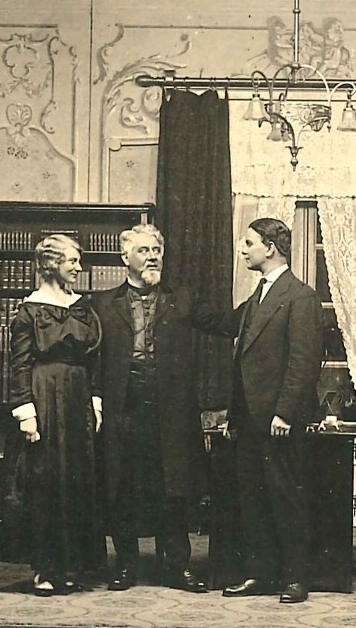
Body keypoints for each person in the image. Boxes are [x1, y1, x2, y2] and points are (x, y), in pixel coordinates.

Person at [90, 225, 208, 593]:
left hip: (170, 412)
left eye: (157, 250)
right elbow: (92, 360)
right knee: (122, 486)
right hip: (123, 409)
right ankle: (126, 565)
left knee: (174, 489)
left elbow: (224, 324)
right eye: (144, 250)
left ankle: (176, 566)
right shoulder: (102, 304)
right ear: (125, 257)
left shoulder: (182, 299)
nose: (153, 257)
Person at [213, 218, 323, 605]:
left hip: (278, 421)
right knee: (252, 500)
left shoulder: (301, 297)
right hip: (249, 420)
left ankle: (295, 579)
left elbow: (304, 362)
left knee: (285, 499)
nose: (243, 250)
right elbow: (232, 336)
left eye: (249, 243)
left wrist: (286, 413)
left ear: (270, 248)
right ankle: (259, 574)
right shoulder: (258, 295)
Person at [0, 234, 105, 597]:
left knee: (76, 479)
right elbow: (19, 364)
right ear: (52, 264)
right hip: (44, 398)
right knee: (44, 481)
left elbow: (95, 359)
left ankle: (71, 565)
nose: (79, 268)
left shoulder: (83, 307)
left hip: (78, 399)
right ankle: (45, 566)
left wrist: (95, 400)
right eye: (72, 261)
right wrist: (26, 412)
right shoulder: (30, 310)